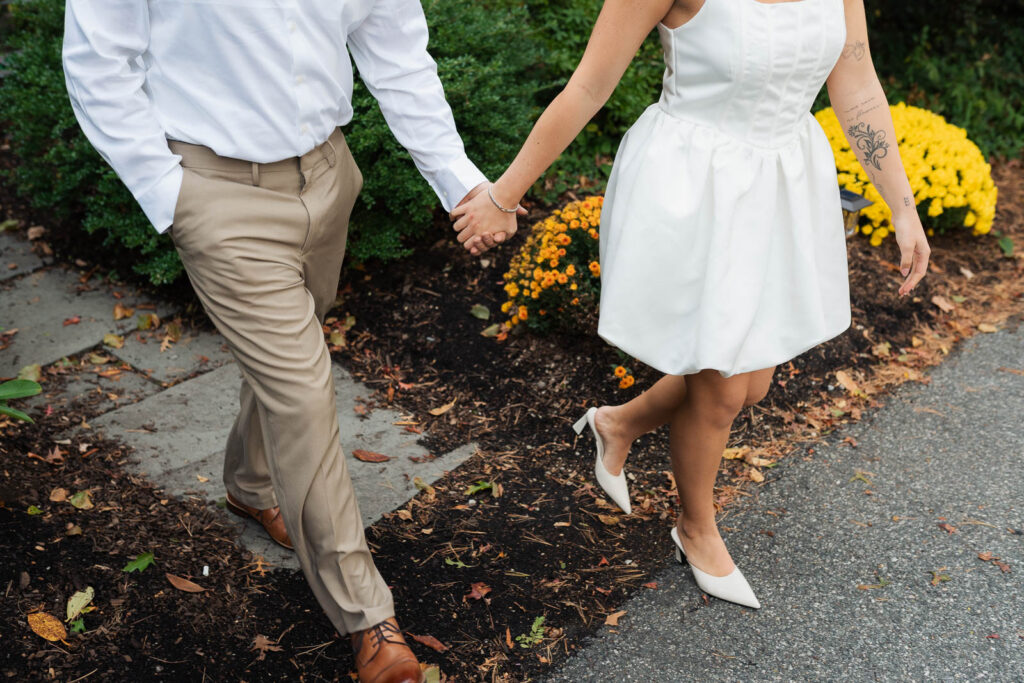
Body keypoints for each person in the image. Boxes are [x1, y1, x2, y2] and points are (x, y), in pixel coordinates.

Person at [62, 1, 500, 680]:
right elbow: (98, 59)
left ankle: (249, 481)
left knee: (286, 365)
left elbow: (393, 47)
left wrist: (459, 181)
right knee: (301, 391)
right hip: (217, 193)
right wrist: (164, 188)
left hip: (329, 177)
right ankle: (367, 617)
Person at [452, 0, 930, 608]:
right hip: (698, 190)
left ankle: (617, 423)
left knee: (751, 385)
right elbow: (590, 86)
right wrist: (504, 195)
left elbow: (857, 84)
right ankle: (695, 527)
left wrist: (903, 207)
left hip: (783, 186)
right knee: (723, 390)